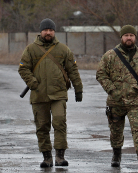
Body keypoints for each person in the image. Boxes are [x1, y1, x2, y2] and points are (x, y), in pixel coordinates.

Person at [18, 18, 83, 168]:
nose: (48, 32)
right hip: (39, 95)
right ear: (40, 31)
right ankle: (47, 158)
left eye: (51, 30)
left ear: (54, 32)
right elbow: (23, 68)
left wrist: (78, 89)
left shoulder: (63, 49)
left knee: (60, 122)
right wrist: (32, 83)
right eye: (46, 30)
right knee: (42, 126)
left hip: (58, 94)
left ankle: (60, 157)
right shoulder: (31, 49)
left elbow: (73, 70)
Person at [96, 25, 138, 171]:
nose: (129, 38)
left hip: (135, 100)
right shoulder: (110, 56)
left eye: (131, 35)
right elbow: (100, 74)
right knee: (116, 131)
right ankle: (116, 156)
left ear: (135, 37)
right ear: (121, 37)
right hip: (116, 101)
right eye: (126, 35)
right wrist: (112, 89)